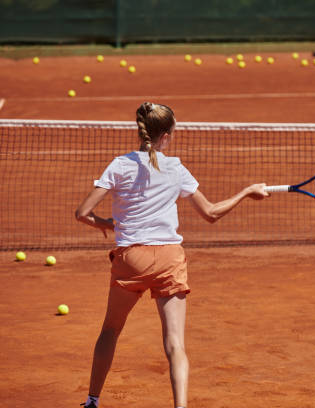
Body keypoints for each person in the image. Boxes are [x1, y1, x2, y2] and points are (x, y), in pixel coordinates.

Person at [75, 102, 269, 408]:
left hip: (131, 260)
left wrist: (106, 224)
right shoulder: (176, 169)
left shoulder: (119, 165)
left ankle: (92, 401)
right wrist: (247, 192)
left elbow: (82, 213)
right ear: (167, 134)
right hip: (169, 260)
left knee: (110, 331)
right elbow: (211, 214)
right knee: (176, 344)